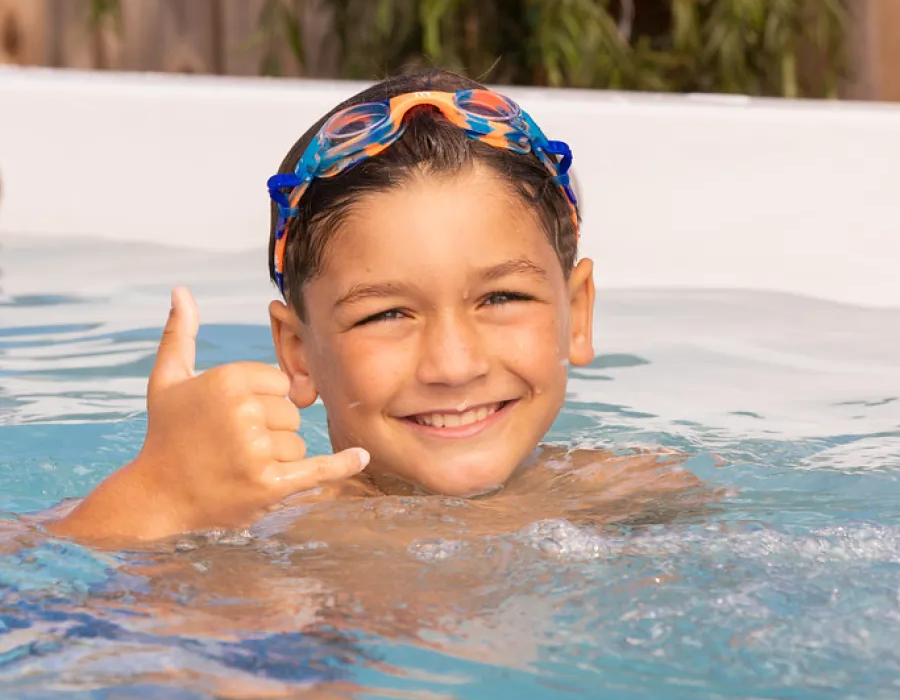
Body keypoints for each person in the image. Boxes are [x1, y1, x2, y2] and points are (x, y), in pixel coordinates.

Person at [49, 69, 697, 546]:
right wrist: (157, 495)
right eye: (387, 314)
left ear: (576, 314)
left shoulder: (629, 496)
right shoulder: (268, 523)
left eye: (501, 297)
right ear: (299, 354)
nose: (453, 363)